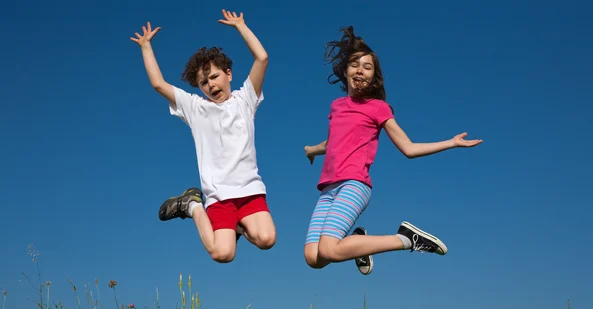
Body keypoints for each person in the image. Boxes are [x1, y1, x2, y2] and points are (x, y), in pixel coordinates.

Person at [304, 26, 482, 275]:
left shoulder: (378, 108)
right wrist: (312, 150)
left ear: (373, 77)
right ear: (345, 71)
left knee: (330, 249)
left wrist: (451, 142)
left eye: (367, 67)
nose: (360, 70)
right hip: (328, 188)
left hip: (354, 185)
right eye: (355, 64)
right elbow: (332, 141)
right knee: (313, 257)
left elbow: (408, 148)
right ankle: (361, 244)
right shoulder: (337, 106)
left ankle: (407, 239)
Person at [130, 10, 276, 263]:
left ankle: (239, 226)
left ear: (228, 74)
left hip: (250, 191)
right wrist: (145, 47)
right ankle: (193, 205)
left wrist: (241, 26)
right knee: (223, 253)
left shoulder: (245, 100)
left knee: (266, 240)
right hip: (219, 196)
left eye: (215, 77)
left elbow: (262, 58)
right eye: (203, 82)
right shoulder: (196, 108)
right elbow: (158, 83)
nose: (211, 85)